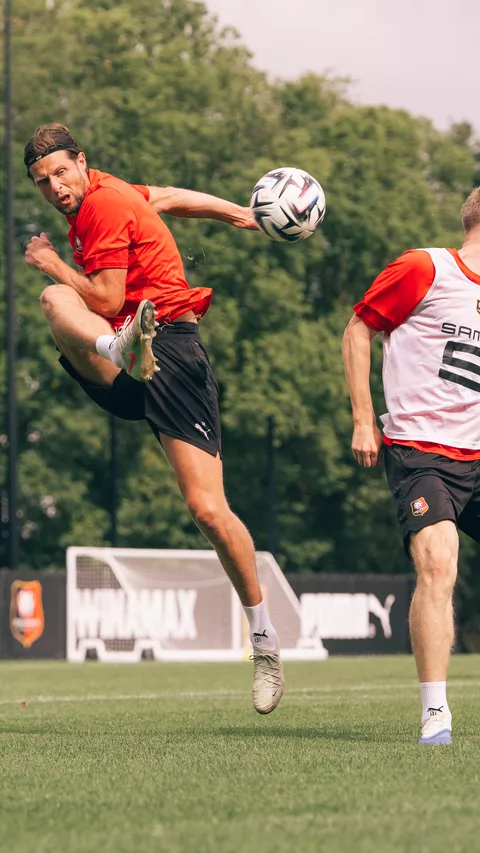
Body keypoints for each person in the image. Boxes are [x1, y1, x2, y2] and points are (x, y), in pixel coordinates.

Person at [23, 123, 284, 714]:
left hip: (171, 354)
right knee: (56, 304)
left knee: (208, 510)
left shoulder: (103, 204)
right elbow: (166, 196)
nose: (55, 187)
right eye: (42, 181)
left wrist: (48, 259)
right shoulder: (112, 192)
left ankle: (265, 640)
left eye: (61, 172)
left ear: (82, 161)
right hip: (124, 354)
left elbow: (109, 299)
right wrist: (236, 213)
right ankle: (115, 349)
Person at [342, 188, 480, 745]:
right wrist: (362, 419)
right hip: (421, 451)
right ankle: (436, 713)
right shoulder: (426, 268)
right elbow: (357, 329)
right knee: (439, 564)